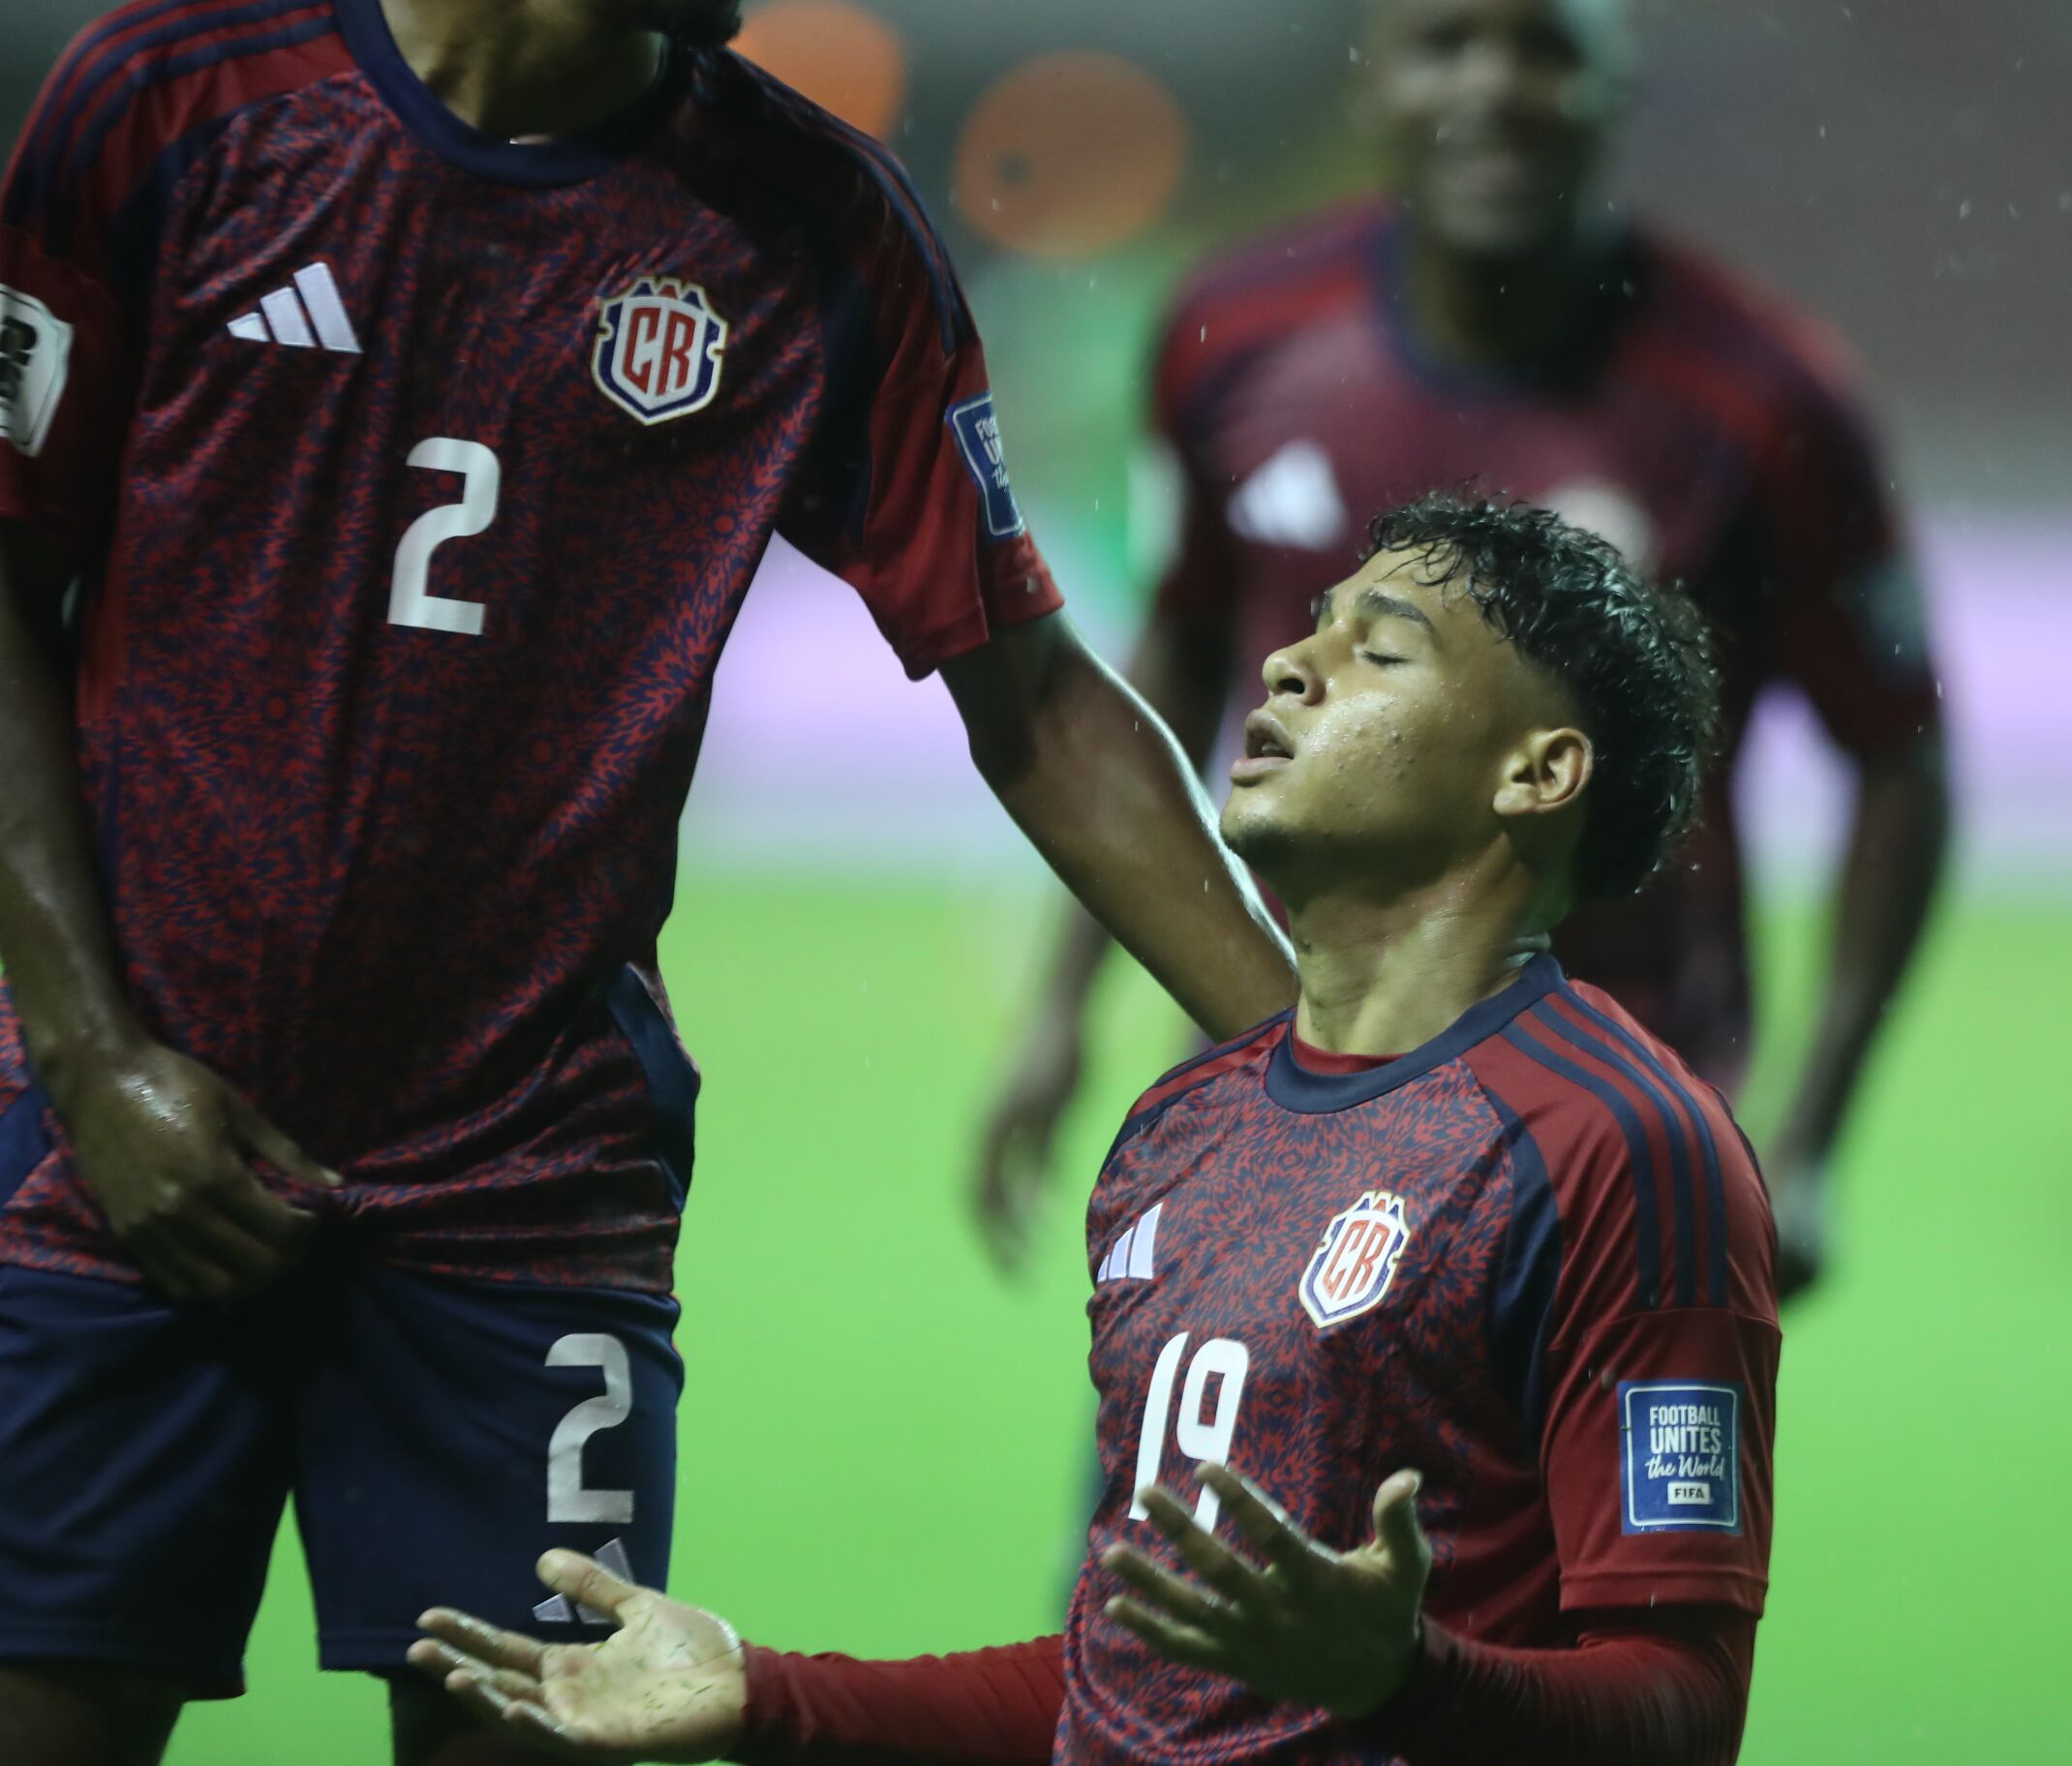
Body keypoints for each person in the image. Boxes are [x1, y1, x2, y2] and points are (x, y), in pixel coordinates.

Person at [0, 0, 1295, 1758]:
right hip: (113, 1149)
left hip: (527, 1183)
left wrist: (1353, 1089)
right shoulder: (175, 98)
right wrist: (90, 1059)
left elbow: (1041, 701)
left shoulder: (811, 224)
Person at [408, 494, 1775, 1766]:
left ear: (1538, 772)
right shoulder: (1185, 1132)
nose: (1292, 668)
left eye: (1381, 651)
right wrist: (766, 1694)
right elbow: (1128, 1684)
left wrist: (1406, 1676)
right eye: (1306, 630)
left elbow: (1685, 1703)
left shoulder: (1619, 1146)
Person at [971, 0, 1950, 1300]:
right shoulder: (1231, 336)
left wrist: (1810, 1129)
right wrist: (1060, 1009)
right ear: (1371, 88)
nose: (1495, 87)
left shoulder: (1764, 398)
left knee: (1594, 1515)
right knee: (1175, 1504)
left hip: (1606, 1152)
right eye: (1447, 42)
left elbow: (1899, 758)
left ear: (1617, 88)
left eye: (1546, 47)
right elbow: (1177, 650)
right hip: (1277, 1097)